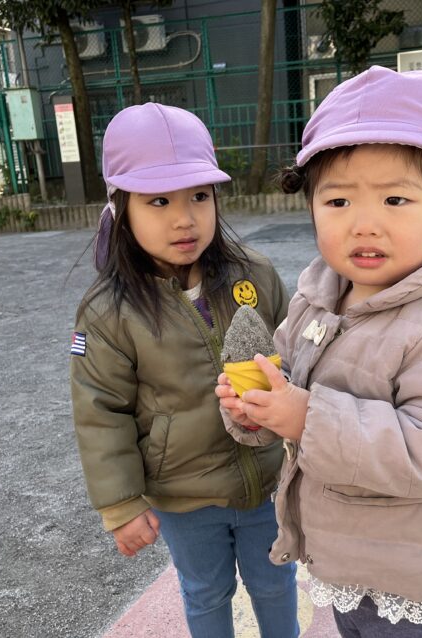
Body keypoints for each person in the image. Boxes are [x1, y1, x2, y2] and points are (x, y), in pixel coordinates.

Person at [216, 66, 422, 638]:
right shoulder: (315, 301)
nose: (365, 224)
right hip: (352, 565)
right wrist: (253, 408)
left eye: (396, 198)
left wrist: (304, 415)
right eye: (337, 202)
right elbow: (283, 392)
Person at [71, 103, 298, 638]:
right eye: (158, 201)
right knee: (205, 592)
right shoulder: (109, 310)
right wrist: (122, 504)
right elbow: (101, 412)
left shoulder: (255, 275)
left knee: (275, 582)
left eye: (199, 195)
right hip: (183, 494)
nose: (184, 217)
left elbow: (299, 358)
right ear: (120, 207)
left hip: (266, 478)